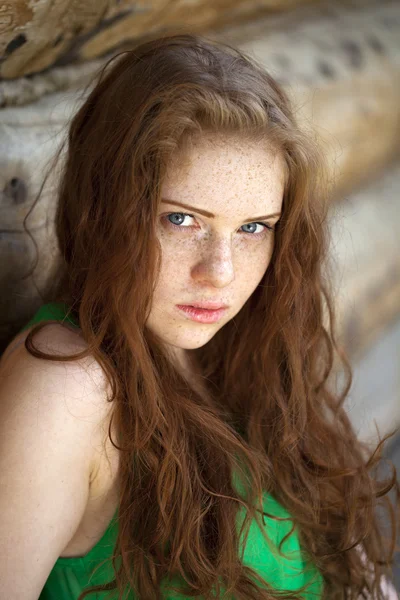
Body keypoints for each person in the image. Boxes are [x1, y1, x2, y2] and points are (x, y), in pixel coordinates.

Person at [0, 33, 398, 600]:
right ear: (103, 209)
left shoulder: (234, 354)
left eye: (253, 227)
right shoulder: (68, 388)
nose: (222, 272)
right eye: (182, 220)